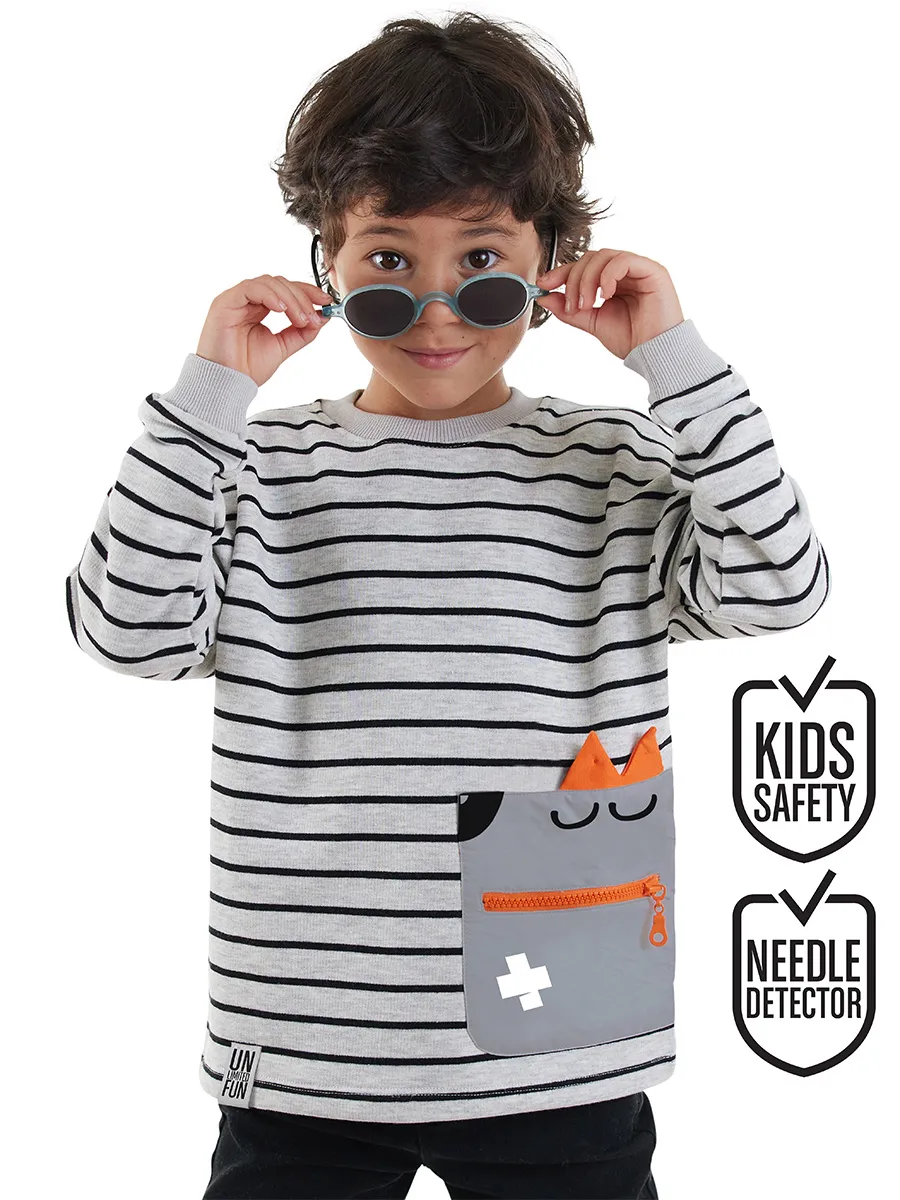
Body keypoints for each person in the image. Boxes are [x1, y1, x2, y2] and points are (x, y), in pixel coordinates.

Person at [64, 12, 830, 1199]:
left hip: (564, 1040)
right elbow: (126, 629)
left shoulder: (615, 465)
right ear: (326, 264)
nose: (433, 309)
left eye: (481, 261)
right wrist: (210, 394)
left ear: (549, 263)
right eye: (387, 260)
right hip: (308, 1043)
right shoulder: (258, 470)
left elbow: (781, 589)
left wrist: (675, 360)